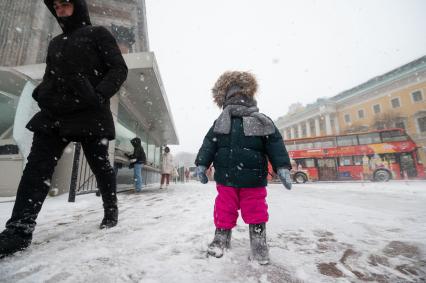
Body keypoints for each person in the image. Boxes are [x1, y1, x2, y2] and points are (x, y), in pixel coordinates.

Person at [0, 0, 128, 257]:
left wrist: (97, 96)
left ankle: (110, 208)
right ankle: (19, 230)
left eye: (65, 4)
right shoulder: (55, 42)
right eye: (56, 5)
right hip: (55, 112)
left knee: (100, 165)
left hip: (89, 112)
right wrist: (41, 92)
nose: (59, 9)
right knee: (36, 168)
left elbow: (118, 69)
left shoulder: (98, 33)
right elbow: (50, 74)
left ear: (77, 6)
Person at [195, 71, 292, 265]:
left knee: (256, 210)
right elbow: (210, 143)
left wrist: (282, 166)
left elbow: (275, 143)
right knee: (224, 208)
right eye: (233, 95)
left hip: (254, 180)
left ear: (249, 96)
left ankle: (259, 245)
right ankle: (221, 239)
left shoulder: (261, 120)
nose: (238, 99)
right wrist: (202, 163)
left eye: (242, 95)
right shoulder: (221, 122)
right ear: (225, 99)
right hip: (226, 177)